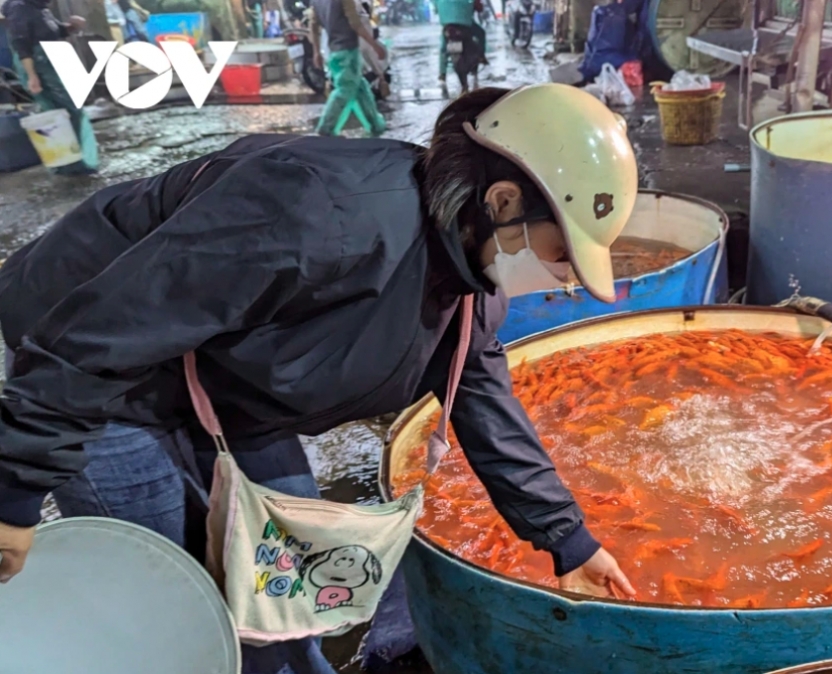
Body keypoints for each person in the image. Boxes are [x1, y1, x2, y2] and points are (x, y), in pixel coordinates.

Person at [0, 84, 638, 674]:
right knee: (168, 580)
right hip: (101, 367)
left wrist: (567, 538)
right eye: (563, 256)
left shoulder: (473, 282)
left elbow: (482, 399)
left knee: (285, 570)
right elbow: (105, 332)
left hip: (226, 378)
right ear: (501, 203)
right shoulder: (319, 216)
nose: (568, 280)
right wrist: (16, 491)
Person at [2, 0, 99, 174]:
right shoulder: (19, 8)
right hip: (39, 66)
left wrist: (69, 27)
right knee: (60, 112)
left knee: (69, 111)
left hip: (51, 62)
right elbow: (21, 44)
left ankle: (77, 161)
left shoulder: (39, 7)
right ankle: (69, 165)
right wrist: (32, 76)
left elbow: (48, 31)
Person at [310, 0, 387, 136]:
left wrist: (316, 52)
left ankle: (375, 124)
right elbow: (355, 23)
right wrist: (374, 45)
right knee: (344, 90)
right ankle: (325, 129)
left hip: (334, 50)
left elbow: (313, 25)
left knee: (359, 87)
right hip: (348, 50)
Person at [435, 0, 487, 83]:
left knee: (444, 48)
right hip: (465, 24)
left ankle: (442, 73)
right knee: (481, 34)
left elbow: (436, 9)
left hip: (448, 26)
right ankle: (481, 56)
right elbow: (479, 7)